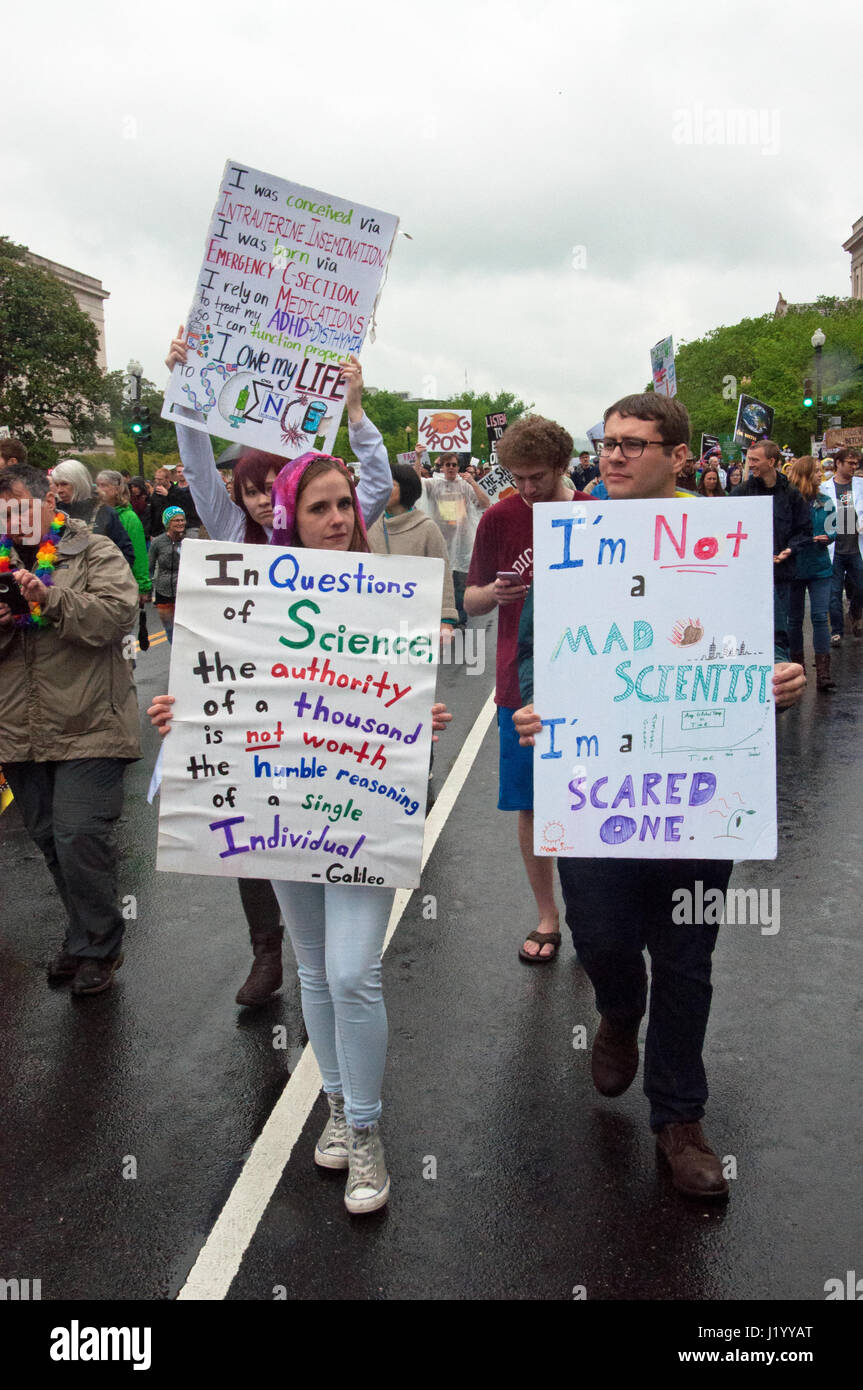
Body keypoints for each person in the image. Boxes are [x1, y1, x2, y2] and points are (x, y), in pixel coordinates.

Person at [512, 392, 805, 1199]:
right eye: (606, 443)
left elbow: (765, 639)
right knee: (602, 936)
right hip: (596, 786)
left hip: (694, 788)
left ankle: (679, 1118)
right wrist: (535, 700)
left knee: (686, 956)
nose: (612, 456)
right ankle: (616, 1008)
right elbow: (536, 652)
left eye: (632, 445)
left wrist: (780, 674)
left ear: (678, 456)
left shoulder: (725, 537)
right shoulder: (571, 538)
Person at [147, 451, 450, 1215]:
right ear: (289, 516)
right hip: (278, 807)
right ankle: (341, 1108)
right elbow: (219, 690)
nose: (337, 519)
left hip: (363, 807)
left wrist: (418, 722)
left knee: (353, 973)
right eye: (318, 508)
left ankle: (369, 1131)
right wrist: (180, 718)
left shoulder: (384, 594)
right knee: (314, 972)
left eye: (344, 503)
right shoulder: (252, 596)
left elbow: (398, 699)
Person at [164, 329, 395, 1008]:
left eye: (273, 488)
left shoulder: (330, 529)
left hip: (332, 714)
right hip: (254, 716)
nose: (265, 501)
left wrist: (354, 410)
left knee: (324, 832)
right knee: (253, 833)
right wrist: (187, 392)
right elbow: (199, 470)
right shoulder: (234, 539)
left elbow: (372, 484)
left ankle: (326, 984)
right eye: (252, 490)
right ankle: (272, 954)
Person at [0, 463, 140, 994]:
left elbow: (116, 616)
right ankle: (82, 933)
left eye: (18, 507)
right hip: (19, 728)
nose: (11, 522)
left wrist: (47, 597)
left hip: (90, 723)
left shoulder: (92, 549)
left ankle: (99, 944)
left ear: (48, 501)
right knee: (49, 840)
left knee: (79, 833)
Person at [464, 416, 592, 963]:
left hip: (592, 680)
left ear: (563, 465)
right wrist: (494, 591)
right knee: (533, 804)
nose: (527, 488)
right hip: (521, 682)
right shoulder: (498, 517)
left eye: (537, 476)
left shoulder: (594, 512)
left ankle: (593, 916)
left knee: (589, 801)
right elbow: (468, 601)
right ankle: (547, 914)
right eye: (516, 477)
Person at [731, 441, 812, 661]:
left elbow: (804, 530)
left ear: (772, 461)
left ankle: (781, 673)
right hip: (750, 575)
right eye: (749, 459)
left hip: (781, 573)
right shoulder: (742, 492)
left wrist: (789, 549)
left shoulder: (791, 494)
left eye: (755, 460)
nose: (750, 464)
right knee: (750, 626)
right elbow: (729, 528)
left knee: (780, 628)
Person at [367, 464, 459, 632]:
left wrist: (445, 618)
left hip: (418, 618)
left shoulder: (427, 528)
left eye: (391, 484)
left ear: (407, 488)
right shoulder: (372, 525)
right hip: (378, 616)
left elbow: (443, 573)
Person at [416, 450, 491, 627]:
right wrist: (418, 457)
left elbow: (484, 503)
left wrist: (472, 482)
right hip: (441, 541)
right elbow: (415, 481)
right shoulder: (434, 483)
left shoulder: (465, 485)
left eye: (454, 465)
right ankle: (441, 618)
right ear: (441, 467)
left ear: (458, 467)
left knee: (460, 584)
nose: (451, 468)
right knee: (440, 583)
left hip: (462, 543)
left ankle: (461, 619)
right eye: (447, 464)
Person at [785, 456, 836, 689]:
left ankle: (824, 674)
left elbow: (837, 527)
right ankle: (799, 671)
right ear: (805, 473)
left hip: (820, 567)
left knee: (819, 617)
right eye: (816, 471)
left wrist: (830, 537)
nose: (820, 474)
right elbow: (781, 532)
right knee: (794, 621)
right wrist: (804, 540)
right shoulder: (789, 500)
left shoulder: (826, 500)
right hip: (794, 567)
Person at [51, 459, 135, 568]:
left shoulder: (105, 513)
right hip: (60, 581)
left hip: (98, 581)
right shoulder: (53, 514)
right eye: (57, 485)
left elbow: (126, 554)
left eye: (64, 484)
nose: (59, 490)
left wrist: (106, 576)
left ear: (79, 482)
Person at [819, 447, 863, 646]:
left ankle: (855, 612)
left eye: (856, 463)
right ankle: (836, 631)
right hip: (835, 549)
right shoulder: (824, 488)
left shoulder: (861, 485)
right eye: (850, 463)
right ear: (838, 463)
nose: (854, 467)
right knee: (834, 593)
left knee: (861, 587)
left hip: (856, 547)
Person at [96, 470, 151, 610]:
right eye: (97, 485)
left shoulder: (129, 518)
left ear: (117, 489)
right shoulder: (93, 514)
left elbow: (139, 553)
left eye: (104, 485)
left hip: (121, 582)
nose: (99, 489)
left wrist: (142, 586)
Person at [147, 507, 185, 642]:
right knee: (170, 629)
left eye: (182, 520)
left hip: (184, 590)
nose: (180, 523)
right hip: (163, 591)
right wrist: (147, 589)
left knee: (185, 629)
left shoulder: (188, 541)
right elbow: (150, 567)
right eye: (176, 520)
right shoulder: (157, 542)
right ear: (168, 523)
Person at [128, 477, 153, 543]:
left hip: (147, 535)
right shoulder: (130, 501)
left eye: (136, 486)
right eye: (132, 487)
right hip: (134, 534)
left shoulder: (149, 500)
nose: (134, 489)